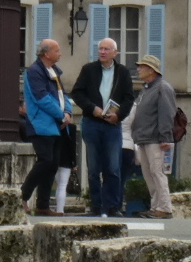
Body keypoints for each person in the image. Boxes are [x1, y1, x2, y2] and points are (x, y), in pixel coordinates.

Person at [70, 38, 136, 217]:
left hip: (112, 126)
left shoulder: (123, 72)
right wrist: (92, 108)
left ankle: (112, 206)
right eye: (100, 49)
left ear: (115, 53)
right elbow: (77, 93)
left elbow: (129, 98)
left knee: (113, 168)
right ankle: (96, 206)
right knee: (93, 169)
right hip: (92, 123)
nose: (102, 52)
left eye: (107, 49)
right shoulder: (88, 69)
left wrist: (119, 115)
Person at [21, 39, 70, 216]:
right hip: (41, 123)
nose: (60, 54)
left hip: (55, 125)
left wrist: (68, 111)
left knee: (52, 164)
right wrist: (61, 115)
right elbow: (41, 98)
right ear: (47, 54)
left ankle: (43, 205)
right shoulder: (34, 71)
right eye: (57, 50)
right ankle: (23, 195)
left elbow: (62, 95)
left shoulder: (54, 71)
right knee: (45, 161)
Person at [131, 54, 179, 219]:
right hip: (145, 138)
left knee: (157, 173)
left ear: (151, 70)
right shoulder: (147, 89)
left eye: (142, 67)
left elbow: (167, 114)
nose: (138, 70)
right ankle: (156, 206)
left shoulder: (163, 88)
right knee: (149, 174)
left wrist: (165, 137)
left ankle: (164, 207)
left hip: (156, 139)